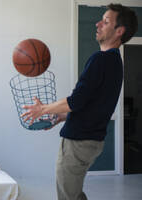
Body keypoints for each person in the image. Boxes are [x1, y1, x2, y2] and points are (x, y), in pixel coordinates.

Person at [21, 4, 138, 200]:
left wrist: (42, 109)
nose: (98, 23)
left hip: (79, 142)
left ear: (119, 31)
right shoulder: (115, 62)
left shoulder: (100, 60)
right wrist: (61, 116)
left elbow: (75, 101)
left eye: (106, 21)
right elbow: (91, 105)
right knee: (73, 194)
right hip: (91, 140)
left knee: (68, 196)